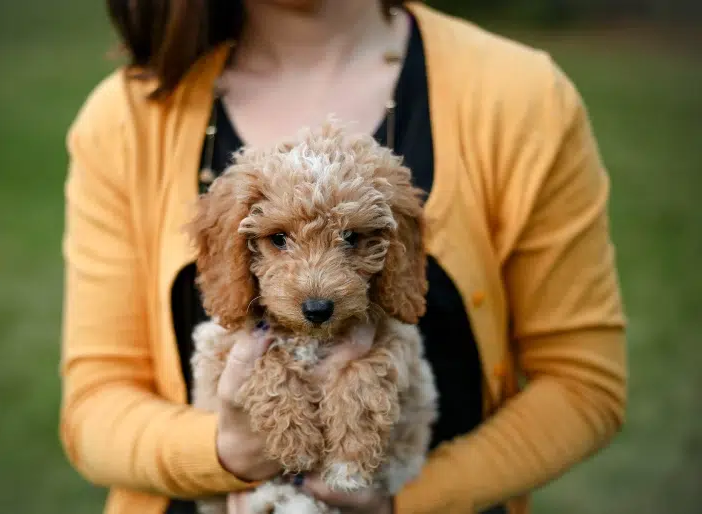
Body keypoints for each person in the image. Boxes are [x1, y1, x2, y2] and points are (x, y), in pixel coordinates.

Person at [58, 1, 629, 513]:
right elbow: (92, 409)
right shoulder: (125, 120)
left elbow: (583, 386)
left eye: (355, 240)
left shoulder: (522, 97)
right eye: (278, 239)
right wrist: (225, 451)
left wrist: (405, 500)